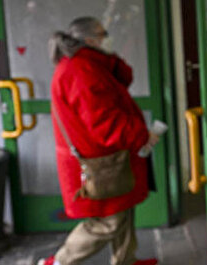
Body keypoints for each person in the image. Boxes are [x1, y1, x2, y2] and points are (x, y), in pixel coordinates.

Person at [38, 17, 159, 265]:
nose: (108, 38)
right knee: (107, 221)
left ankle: (125, 261)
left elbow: (123, 80)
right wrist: (141, 135)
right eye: (103, 34)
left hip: (109, 157)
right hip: (101, 161)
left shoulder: (89, 65)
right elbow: (104, 122)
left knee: (123, 209)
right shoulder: (81, 71)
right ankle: (58, 262)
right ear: (90, 40)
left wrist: (110, 60)